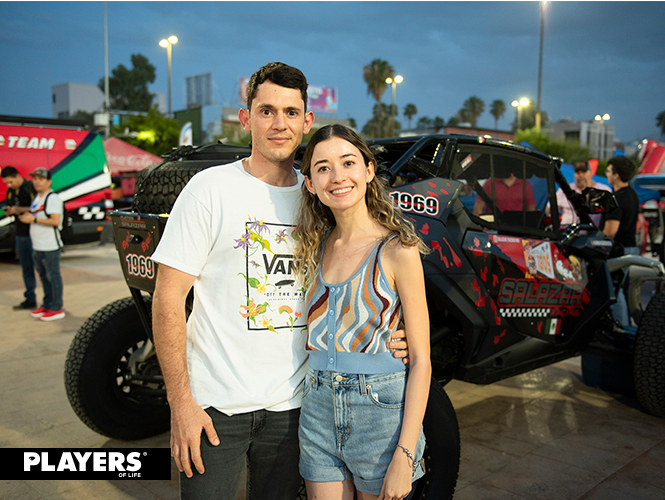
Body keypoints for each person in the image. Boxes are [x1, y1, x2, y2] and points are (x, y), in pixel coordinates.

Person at [149, 62, 409, 500]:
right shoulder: (208, 190)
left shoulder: (322, 197)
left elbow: (361, 271)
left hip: (297, 409)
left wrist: (393, 337)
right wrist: (181, 404)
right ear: (245, 118)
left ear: (307, 121)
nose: (279, 123)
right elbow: (168, 298)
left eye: (291, 112)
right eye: (266, 111)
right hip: (215, 410)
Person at [294, 124, 431, 500]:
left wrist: (405, 454)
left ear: (369, 170)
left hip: (380, 415)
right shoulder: (314, 245)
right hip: (317, 407)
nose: (337, 176)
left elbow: (422, 360)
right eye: (323, 168)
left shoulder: (398, 250)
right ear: (310, 183)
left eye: (348, 162)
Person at [17, 167, 65, 321]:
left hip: (50, 246)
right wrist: (28, 216)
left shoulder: (52, 198)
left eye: (41, 179)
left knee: (53, 276)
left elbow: (55, 221)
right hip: (38, 245)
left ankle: (57, 308)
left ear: (49, 181)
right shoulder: (38, 197)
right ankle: (47, 304)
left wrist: (34, 219)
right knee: (44, 277)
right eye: (35, 179)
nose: (37, 182)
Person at [602, 156, 640, 326]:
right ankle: (629, 326)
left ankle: (620, 327)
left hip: (619, 249)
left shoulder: (616, 198)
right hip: (631, 248)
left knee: (614, 292)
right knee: (625, 290)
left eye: (608, 171)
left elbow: (610, 231)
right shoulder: (632, 194)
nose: (607, 174)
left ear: (616, 175)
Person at [2, 166, 37, 310]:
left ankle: (51, 303)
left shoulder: (30, 187)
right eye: (6, 183)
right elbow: (10, 206)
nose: (8, 185)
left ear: (17, 176)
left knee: (42, 269)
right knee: (26, 268)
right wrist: (9, 211)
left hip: (34, 233)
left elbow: (38, 207)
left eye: (10, 182)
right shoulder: (11, 191)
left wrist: (18, 209)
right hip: (19, 233)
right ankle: (30, 299)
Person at [555, 161, 612, 227]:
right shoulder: (565, 189)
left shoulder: (603, 189)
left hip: (593, 231)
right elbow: (550, 209)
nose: (581, 175)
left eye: (584, 172)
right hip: (567, 230)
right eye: (578, 172)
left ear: (591, 173)